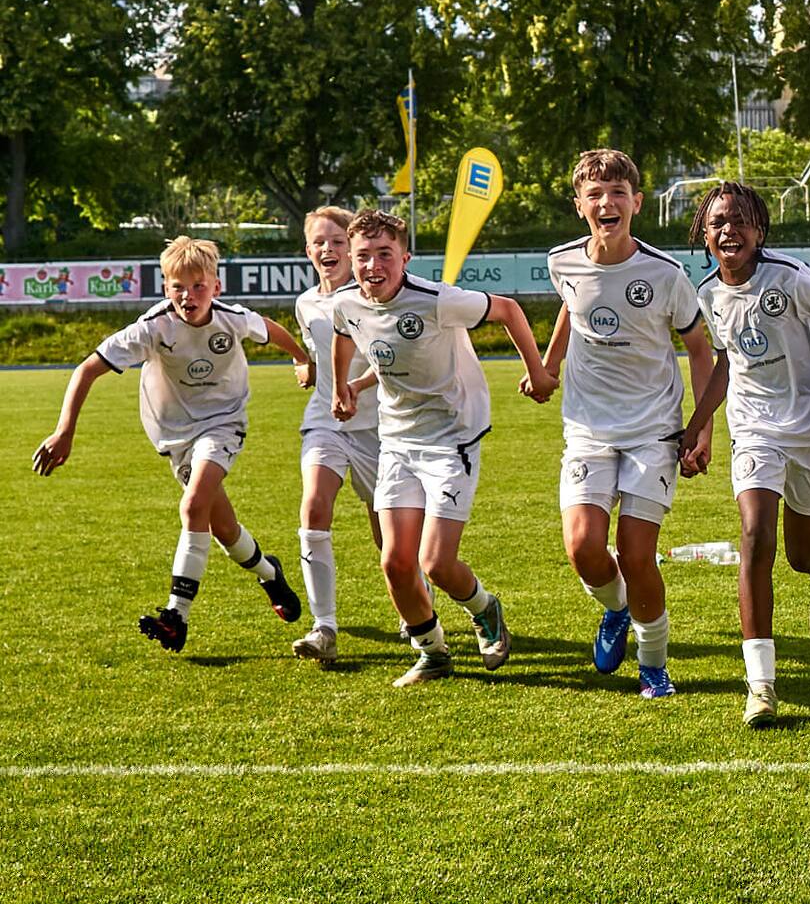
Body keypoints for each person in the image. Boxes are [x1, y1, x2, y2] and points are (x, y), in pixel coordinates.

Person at [32, 236, 311, 651]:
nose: (188, 295)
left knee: (192, 505)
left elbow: (270, 331)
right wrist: (65, 430)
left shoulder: (231, 318)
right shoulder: (153, 327)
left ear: (216, 287)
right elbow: (87, 369)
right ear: (166, 288)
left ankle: (176, 614)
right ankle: (270, 574)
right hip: (176, 437)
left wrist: (301, 357)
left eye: (199, 286)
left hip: (223, 425)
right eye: (178, 286)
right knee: (224, 528)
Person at [329, 209, 557, 686]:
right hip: (396, 439)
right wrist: (345, 387)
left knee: (436, 562)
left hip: (453, 437)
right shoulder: (347, 303)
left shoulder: (437, 300)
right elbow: (348, 338)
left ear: (405, 257)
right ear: (351, 260)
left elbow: (510, 310)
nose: (373, 265)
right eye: (363, 256)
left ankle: (485, 608)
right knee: (395, 561)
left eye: (384, 254)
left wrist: (537, 373)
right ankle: (432, 652)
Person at [679, 182, 810, 728]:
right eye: (717, 223)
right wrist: (698, 424)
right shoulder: (708, 294)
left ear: (759, 230)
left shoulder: (788, 276)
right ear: (705, 236)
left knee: (799, 552)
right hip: (754, 427)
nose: (728, 230)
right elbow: (725, 363)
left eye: (740, 220)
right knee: (755, 537)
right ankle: (761, 687)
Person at [543, 149, 716, 696]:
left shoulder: (665, 274)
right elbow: (574, 305)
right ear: (579, 206)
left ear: (636, 203)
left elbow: (698, 346)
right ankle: (616, 608)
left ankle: (654, 663)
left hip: (653, 430)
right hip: (588, 430)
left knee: (637, 553)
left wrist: (703, 427)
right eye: (595, 194)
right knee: (583, 547)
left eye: (617, 193)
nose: (606, 202)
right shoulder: (562, 261)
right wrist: (548, 366)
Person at [291, 206, 407, 663]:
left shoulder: (376, 299)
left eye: (337, 242)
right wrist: (307, 367)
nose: (328, 250)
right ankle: (324, 628)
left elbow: (395, 362)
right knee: (314, 505)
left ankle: (414, 610)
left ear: (352, 249)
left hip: (382, 428)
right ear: (308, 251)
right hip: (326, 422)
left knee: (388, 534)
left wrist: (354, 387)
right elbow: (318, 356)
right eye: (319, 243)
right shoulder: (305, 303)